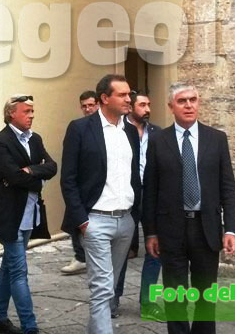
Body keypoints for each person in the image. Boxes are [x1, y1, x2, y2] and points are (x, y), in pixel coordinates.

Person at [142, 83, 235, 334]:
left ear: (198, 102)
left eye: (193, 100)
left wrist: (231, 228)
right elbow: (150, 189)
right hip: (171, 228)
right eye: (182, 101)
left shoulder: (216, 139)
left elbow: (227, 186)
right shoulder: (158, 141)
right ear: (171, 106)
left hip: (206, 228)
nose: (188, 105)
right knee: (175, 295)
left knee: (206, 294)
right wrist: (150, 232)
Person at [61, 74, 140, 333]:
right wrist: (82, 221)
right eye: (122, 94)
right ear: (105, 98)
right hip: (95, 220)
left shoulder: (130, 131)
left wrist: (136, 219)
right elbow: (68, 178)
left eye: (129, 94)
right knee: (102, 287)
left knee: (110, 287)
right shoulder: (80, 129)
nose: (129, 99)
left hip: (125, 220)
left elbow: (135, 177)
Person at [0, 95, 56, 334]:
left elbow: (52, 166)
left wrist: (31, 171)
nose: (31, 115)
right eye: (26, 111)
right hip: (10, 217)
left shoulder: (35, 139)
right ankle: (30, 327)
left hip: (29, 215)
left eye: (32, 111)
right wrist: (38, 178)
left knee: (9, 267)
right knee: (18, 271)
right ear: (11, 113)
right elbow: (14, 176)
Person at [115, 91, 162, 318]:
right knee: (122, 248)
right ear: (131, 107)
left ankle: (148, 302)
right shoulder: (119, 131)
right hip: (127, 194)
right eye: (142, 105)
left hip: (153, 195)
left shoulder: (158, 133)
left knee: (155, 248)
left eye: (149, 104)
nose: (147, 109)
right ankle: (113, 297)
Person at [61, 90, 99, 276]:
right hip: (80, 185)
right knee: (76, 219)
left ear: (98, 104)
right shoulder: (77, 128)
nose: (88, 109)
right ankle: (80, 256)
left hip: (97, 186)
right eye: (84, 106)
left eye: (91, 105)